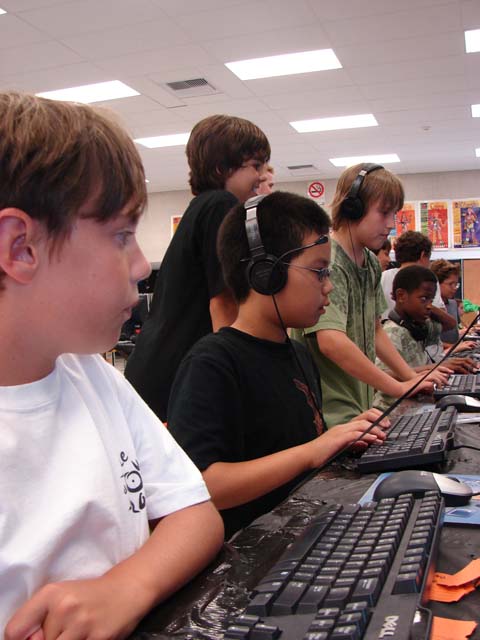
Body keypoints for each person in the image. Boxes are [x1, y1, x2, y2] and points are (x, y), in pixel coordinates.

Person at [0, 92, 224, 638]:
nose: (142, 265)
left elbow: (196, 513)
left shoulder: (89, 374)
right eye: (122, 235)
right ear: (21, 248)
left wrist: (127, 586)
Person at [168, 192, 388, 538]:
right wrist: (312, 452)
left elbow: (295, 451)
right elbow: (204, 486)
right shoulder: (212, 363)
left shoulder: (298, 354)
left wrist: (336, 441)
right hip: (254, 553)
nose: (329, 286)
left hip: (301, 531)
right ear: (265, 274)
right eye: (318, 271)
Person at [125, 115, 271, 421]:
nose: (261, 176)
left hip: (158, 365)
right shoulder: (221, 205)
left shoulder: (203, 206)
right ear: (222, 168)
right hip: (174, 370)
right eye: (255, 166)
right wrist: (239, 376)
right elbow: (223, 301)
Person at [291, 164, 445, 426]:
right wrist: (398, 387)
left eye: (394, 214)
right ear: (353, 207)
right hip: (329, 410)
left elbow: (375, 330)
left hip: (358, 401)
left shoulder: (371, 264)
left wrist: (410, 378)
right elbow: (331, 341)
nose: (391, 225)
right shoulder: (329, 260)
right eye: (384, 213)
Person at [374, 266, 476, 409]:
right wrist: (434, 368)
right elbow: (381, 375)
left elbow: (451, 324)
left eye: (431, 300)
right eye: (423, 298)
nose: (429, 306)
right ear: (401, 296)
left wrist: (426, 304)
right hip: (393, 409)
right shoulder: (392, 333)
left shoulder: (418, 327)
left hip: (416, 403)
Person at [380, 231, 455, 333]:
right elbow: (443, 320)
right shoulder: (427, 279)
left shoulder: (382, 277)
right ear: (422, 255)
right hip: (420, 340)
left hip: (386, 338)